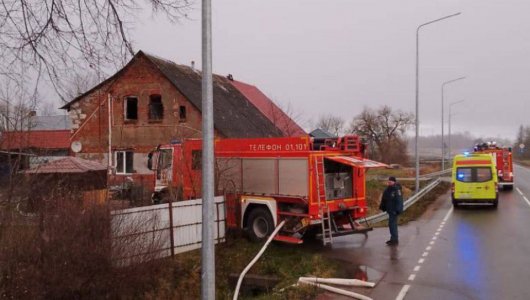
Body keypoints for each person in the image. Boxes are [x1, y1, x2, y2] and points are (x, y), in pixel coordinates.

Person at [379, 176, 403, 246]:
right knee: (392, 225)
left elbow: (399, 201)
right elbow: (384, 199)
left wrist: (398, 210)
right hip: (390, 210)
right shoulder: (388, 190)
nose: (389, 182)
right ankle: (394, 239)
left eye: (391, 181)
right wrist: (383, 207)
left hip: (394, 211)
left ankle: (394, 239)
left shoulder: (397, 190)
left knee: (392, 225)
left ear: (394, 182)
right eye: (388, 181)